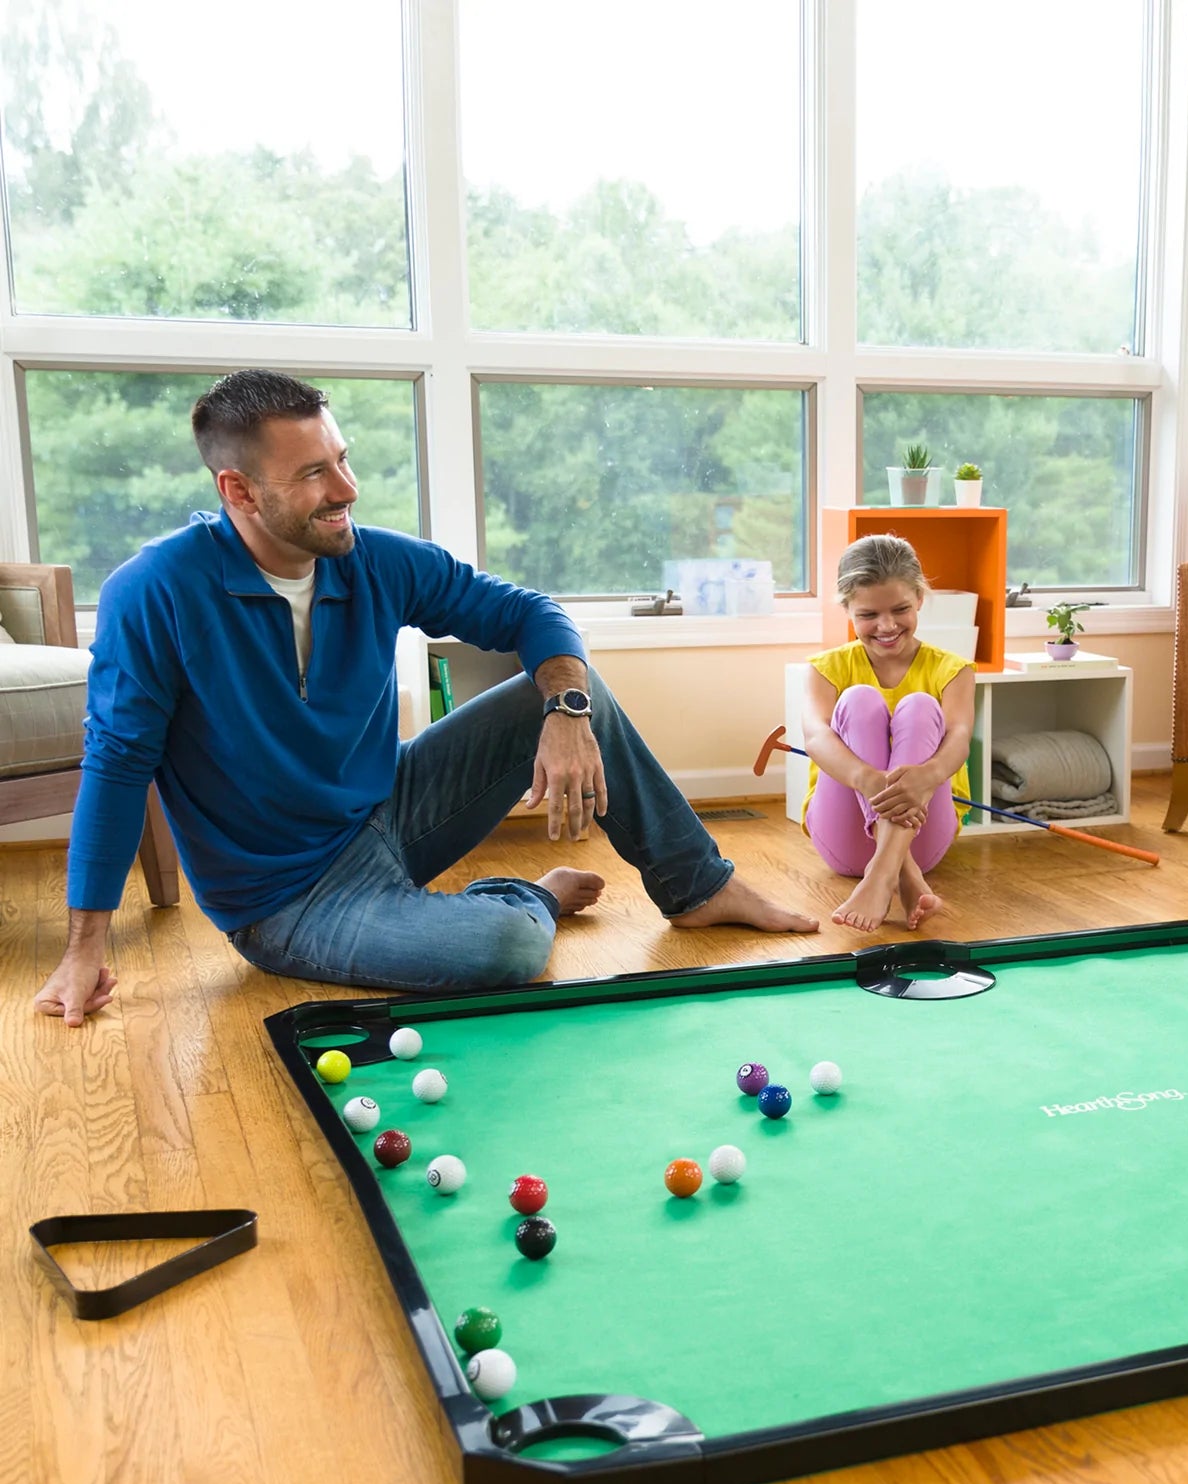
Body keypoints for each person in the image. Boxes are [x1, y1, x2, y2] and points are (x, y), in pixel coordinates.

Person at [34, 370, 817, 1025]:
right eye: (313, 473)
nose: (346, 488)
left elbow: (529, 614)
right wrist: (84, 950)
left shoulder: (373, 559)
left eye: (341, 458)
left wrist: (567, 714)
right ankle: (525, 897)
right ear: (237, 489)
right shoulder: (155, 592)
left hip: (390, 810)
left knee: (577, 688)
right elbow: (117, 767)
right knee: (505, 950)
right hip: (288, 898)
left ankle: (699, 888)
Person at [800, 534, 976, 933]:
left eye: (900, 609)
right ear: (847, 608)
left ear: (919, 598)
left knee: (920, 705)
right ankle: (901, 873)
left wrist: (927, 776)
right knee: (859, 699)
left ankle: (882, 873)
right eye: (868, 615)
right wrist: (870, 779)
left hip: (925, 834)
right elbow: (815, 737)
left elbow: (959, 739)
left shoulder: (954, 670)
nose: (886, 626)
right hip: (844, 840)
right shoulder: (826, 668)